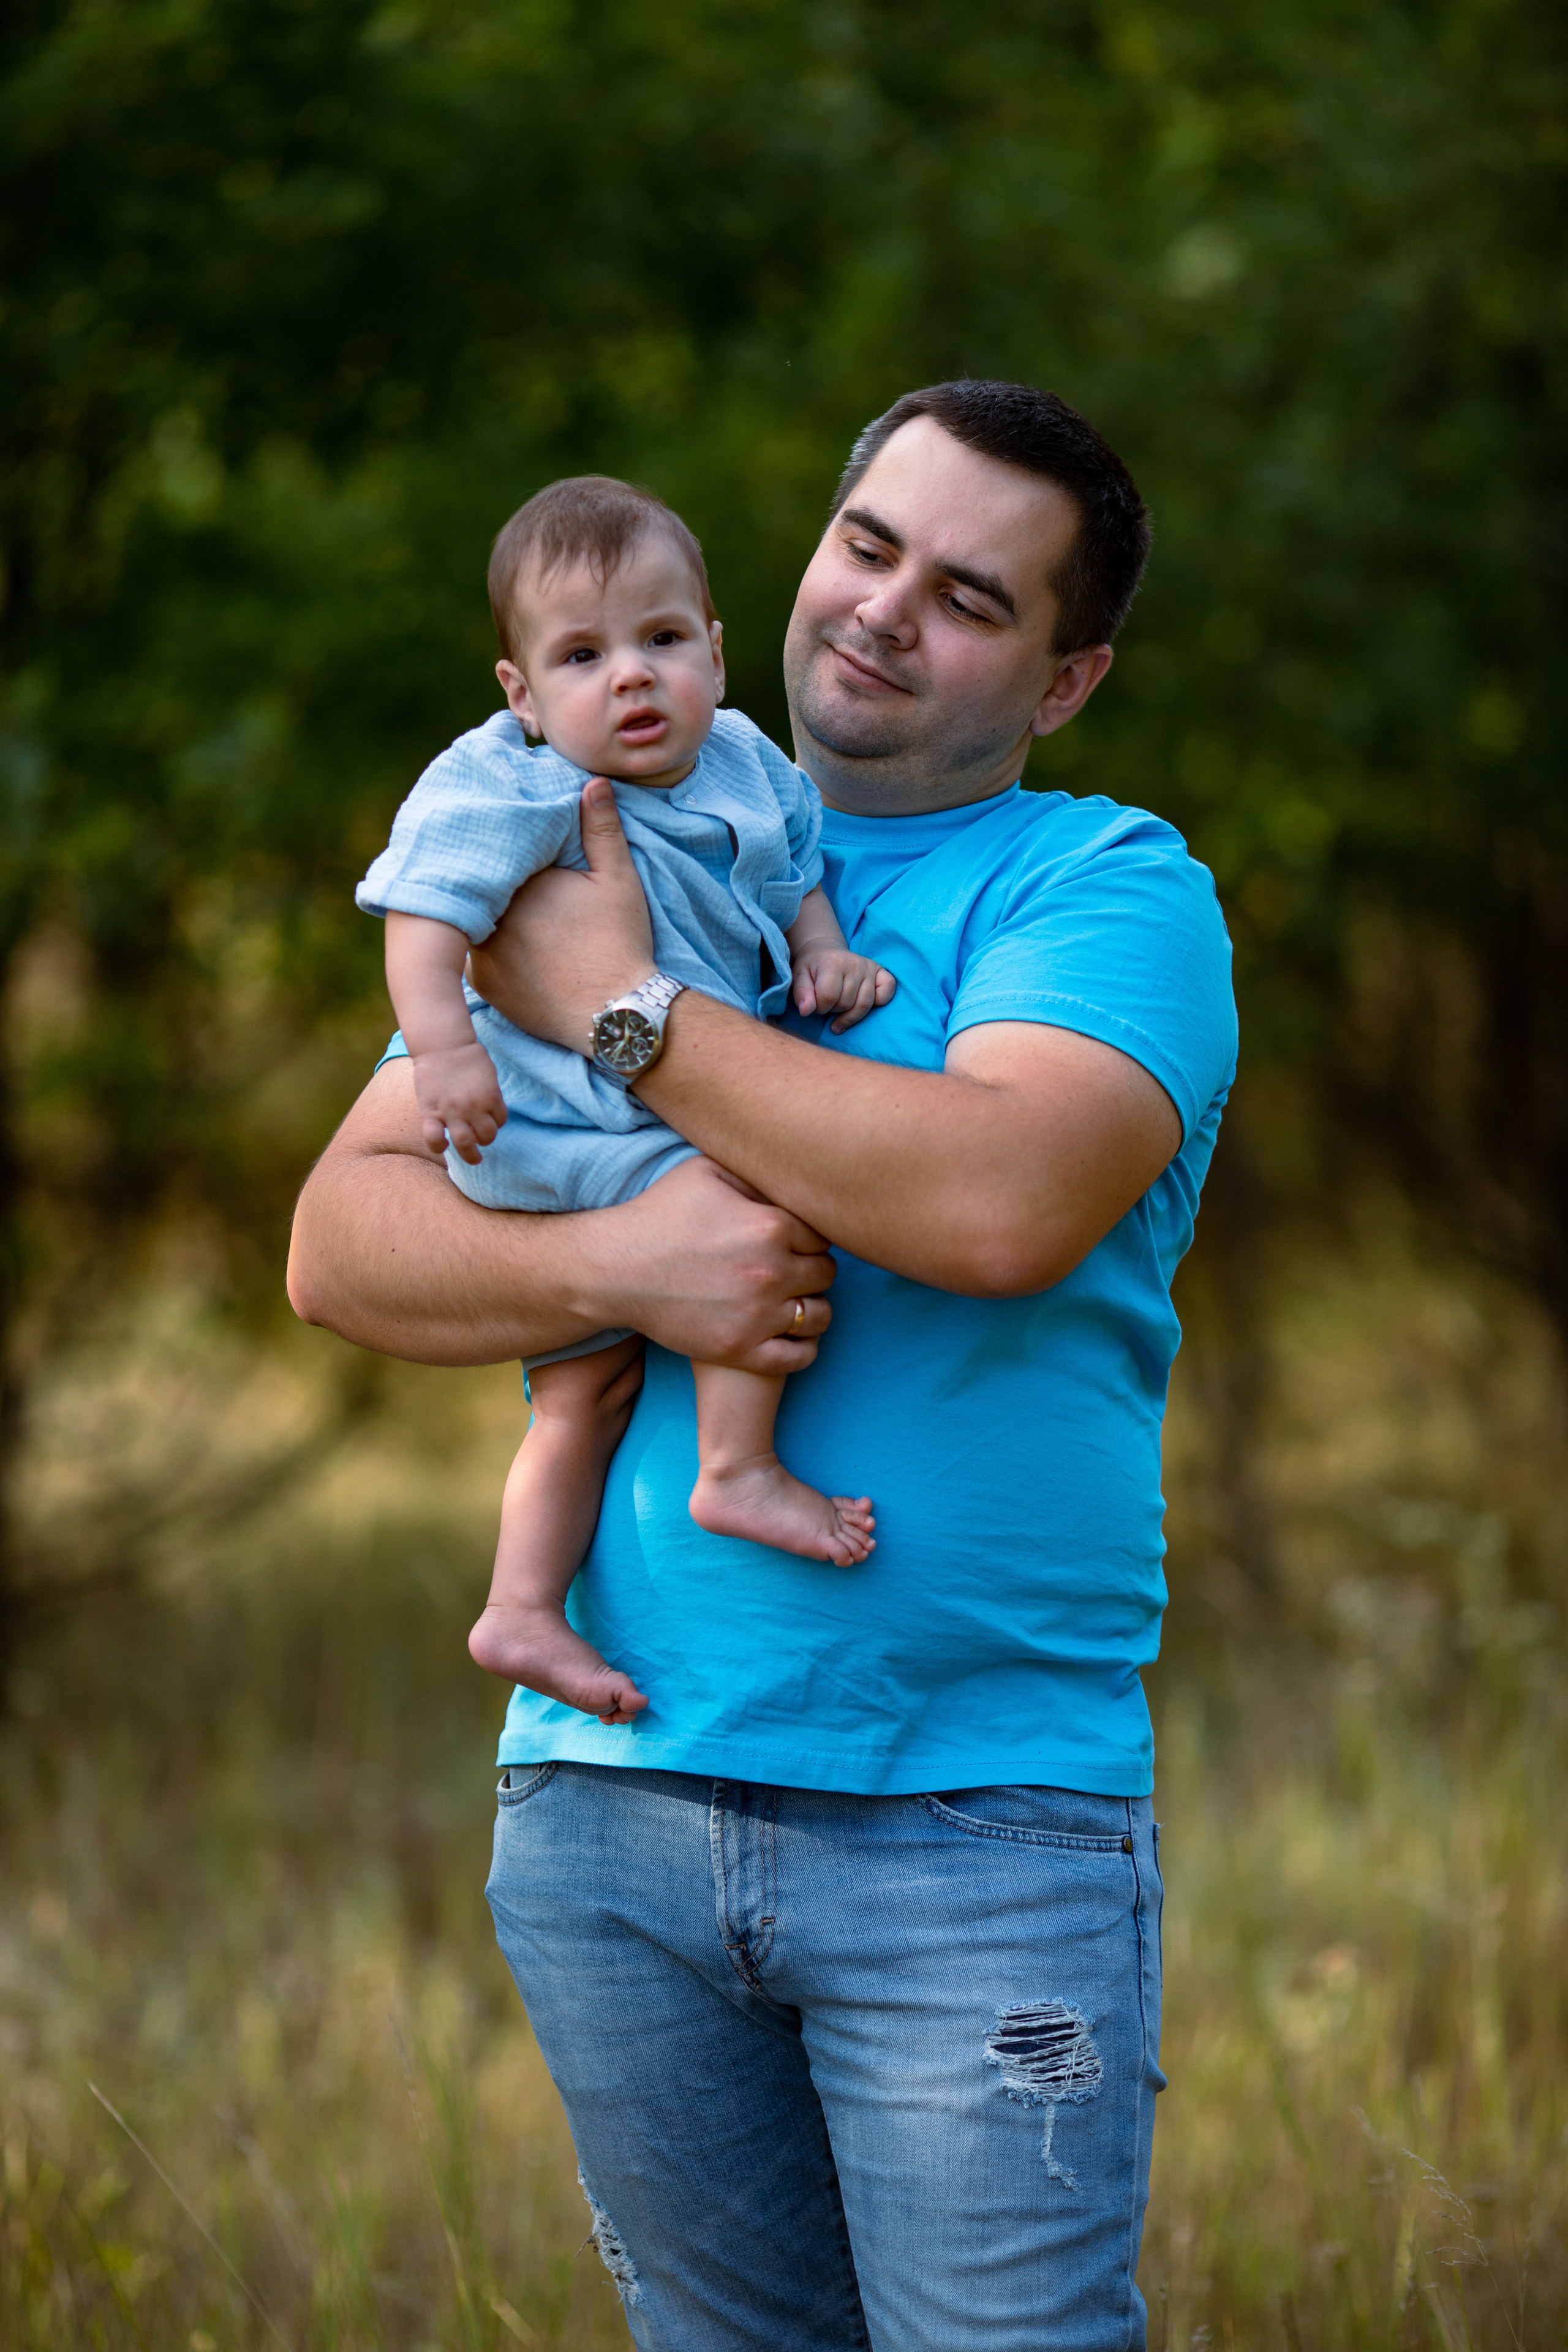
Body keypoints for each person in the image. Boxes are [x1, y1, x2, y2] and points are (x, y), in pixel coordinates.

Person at [288, 379, 1238, 2351]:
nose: (885, 610)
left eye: (970, 596)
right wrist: (631, 1255)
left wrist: (624, 1010)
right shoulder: (586, 820)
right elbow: (340, 1246)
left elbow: (996, 1202)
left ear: (1065, 682)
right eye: (868, 544)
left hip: (969, 1820)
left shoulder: (1101, 887)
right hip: (610, 1802)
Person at [358, 474, 893, 1727]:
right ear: (522, 697)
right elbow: (425, 914)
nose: (631, 680)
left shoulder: (748, 760)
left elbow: (792, 868)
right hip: (557, 1118)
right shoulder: (510, 786)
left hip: (634, 1107)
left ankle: (520, 1609)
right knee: (748, 1194)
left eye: (660, 641)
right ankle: (736, 1468)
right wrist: (440, 1055)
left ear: (713, 645)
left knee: (580, 1392)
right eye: (582, 657)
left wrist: (816, 949)